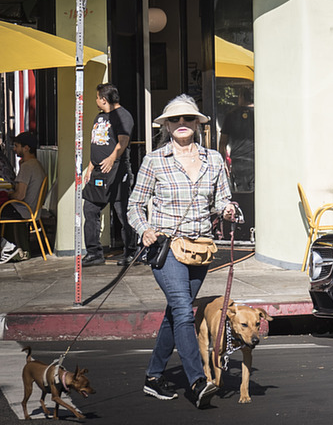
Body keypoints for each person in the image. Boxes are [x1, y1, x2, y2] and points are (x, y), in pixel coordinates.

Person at [128, 94, 236, 409]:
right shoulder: (154, 160)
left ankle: (153, 376)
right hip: (166, 246)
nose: (182, 124)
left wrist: (228, 210)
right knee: (182, 309)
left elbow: (222, 200)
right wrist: (144, 229)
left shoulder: (214, 159)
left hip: (200, 248)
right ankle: (197, 381)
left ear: (197, 124)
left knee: (175, 314)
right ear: (167, 126)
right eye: (175, 120)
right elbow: (135, 203)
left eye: (188, 119)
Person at [82, 83, 136, 267]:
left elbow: (123, 141)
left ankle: (131, 252)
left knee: (121, 211)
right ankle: (94, 253)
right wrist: (90, 166)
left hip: (116, 170)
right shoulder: (100, 117)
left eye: (97, 97)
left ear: (103, 99)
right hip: (98, 171)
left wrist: (113, 158)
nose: (95, 100)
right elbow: (98, 143)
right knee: (90, 209)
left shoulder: (123, 116)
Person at [0, 131, 46, 263]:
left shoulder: (27, 167)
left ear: (26, 148)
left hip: (23, 210)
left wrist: (8, 194)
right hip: (29, 209)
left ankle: (7, 245)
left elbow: (19, 195)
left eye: (16, 146)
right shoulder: (35, 165)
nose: (14, 149)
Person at [218, 86, 254, 193]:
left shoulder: (231, 115)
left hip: (238, 160)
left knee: (240, 194)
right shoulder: (260, 114)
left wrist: (223, 162)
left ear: (242, 97)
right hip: (256, 160)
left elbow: (223, 142)